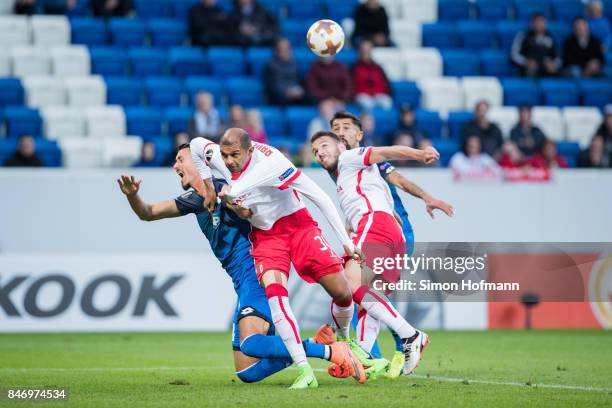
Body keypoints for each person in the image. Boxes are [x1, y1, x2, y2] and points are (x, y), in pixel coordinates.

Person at [117, 150, 362, 384]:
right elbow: (148, 212)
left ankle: (329, 351)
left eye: (181, 160)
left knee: (251, 344)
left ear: (199, 163)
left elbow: (251, 209)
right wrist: (132, 196)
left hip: (258, 273)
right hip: (242, 283)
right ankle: (314, 343)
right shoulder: (194, 200)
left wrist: (236, 204)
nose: (175, 166)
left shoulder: (230, 187)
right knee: (248, 371)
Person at [189, 130, 367, 388]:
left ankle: (346, 340)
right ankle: (305, 371)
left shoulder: (274, 164)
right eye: (225, 155)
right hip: (267, 237)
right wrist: (207, 187)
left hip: (299, 227)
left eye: (235, 155)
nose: (228, 161)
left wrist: (346, 243)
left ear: (249, 151)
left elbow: (320, 197)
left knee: (342, 293)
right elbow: (195, 145)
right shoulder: (218, 154)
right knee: (276, 297)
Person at [328, 111, 454, 377]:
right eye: (335, 127)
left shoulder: (364, 156)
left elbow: (398, 179)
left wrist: (427, 196)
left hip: (390, 228)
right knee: (370, 290)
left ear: (359, 134)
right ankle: (369, 353)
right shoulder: (340, 165)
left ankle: (401, 344)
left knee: (362, 286)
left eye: (346, 127)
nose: (340, 131)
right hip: (372, 226)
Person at [511, 13, 561, 77]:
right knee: (531, 71)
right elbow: (514, 55)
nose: (539, 24)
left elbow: (558, 56)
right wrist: (527, 62)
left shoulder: (550, 37)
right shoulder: (523, 35)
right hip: (528, 67)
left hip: (546, 67)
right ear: (531, 23)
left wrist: (553, 64)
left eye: (541, 21)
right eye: (536, 21)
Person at [264, 38, 307, 105]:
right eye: (282, 49)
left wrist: (300, 90)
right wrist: (287, 92)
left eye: (287, 49)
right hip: (280, 96)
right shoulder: (271, 65)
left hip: (295, 94)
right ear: (277, 50)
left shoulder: (295, 63)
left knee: (310, 97)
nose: (286, 51)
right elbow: (272, 86)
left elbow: (301, 81)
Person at [352, 41, 392, 111]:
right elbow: (351, 85)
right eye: (364, 51)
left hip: (378, 94)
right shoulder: (354, 67)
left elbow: (386, 83)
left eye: (368, 50)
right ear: (360, 52)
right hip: (362, 95)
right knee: (367, 104)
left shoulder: (378, 67)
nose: (366, 53)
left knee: (387, 103)